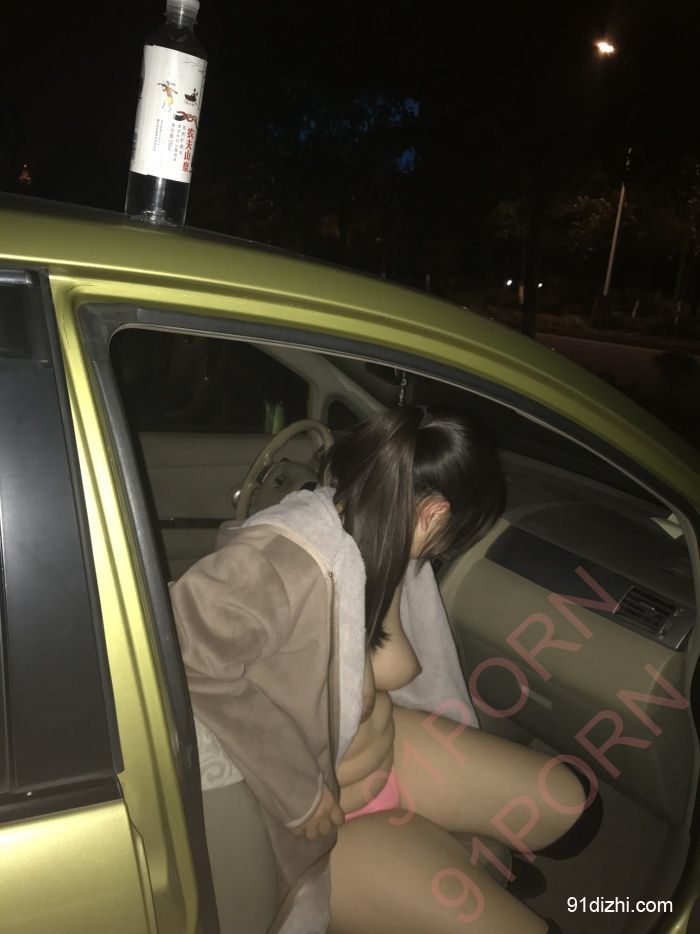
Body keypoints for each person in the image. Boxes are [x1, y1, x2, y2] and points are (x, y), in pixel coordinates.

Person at [171, 407, 589, 934]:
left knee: (570, 805)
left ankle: (470, 860)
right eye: (451, 537)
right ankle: (452, 865)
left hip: (385, 755)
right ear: (433, 514)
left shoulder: (371, 534)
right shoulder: (277, 562)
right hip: (321, 823)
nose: (440, 556)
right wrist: (299, 794)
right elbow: (188, 658)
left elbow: (387, 657)